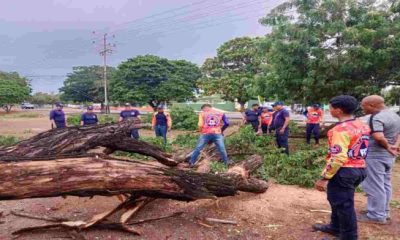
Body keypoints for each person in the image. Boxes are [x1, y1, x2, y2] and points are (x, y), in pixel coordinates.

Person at [313, 95, 370, 240]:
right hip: (360, 168)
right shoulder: (361, 125)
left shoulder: (339, 130)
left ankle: (348, 236)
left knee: (344, 206)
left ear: (338, 110)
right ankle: (335, 227)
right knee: (337, 200)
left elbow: (338, 157)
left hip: (344, 171)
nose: (329, 110)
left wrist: (324, 177)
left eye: (330, 107)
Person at [359, 95, 400, 224]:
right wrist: (395, 147)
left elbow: (378, 136)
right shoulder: (395, 115)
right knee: (385, 183)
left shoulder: (376, 117)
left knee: (374, 184)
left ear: (371, 105)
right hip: (388, 156)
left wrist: (388, 146)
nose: (362, 108)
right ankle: (383, 211)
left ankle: (376, 215)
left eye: (363, 105)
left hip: (376, 155)